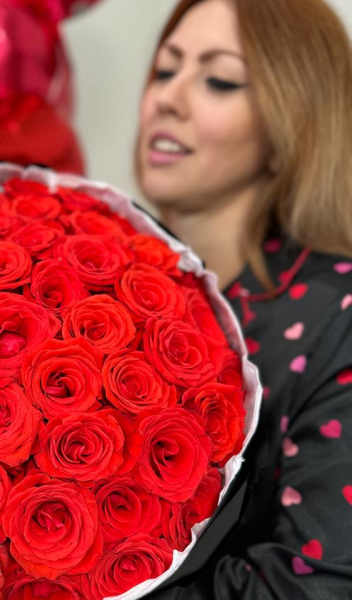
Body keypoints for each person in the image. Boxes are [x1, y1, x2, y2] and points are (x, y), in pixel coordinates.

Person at [135, 0, 352, 597]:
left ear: (290, 125)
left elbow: (316, 586)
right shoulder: (102, 290)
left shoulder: (338, 315)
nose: (168, 98)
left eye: (220, 80)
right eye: (164, 70)